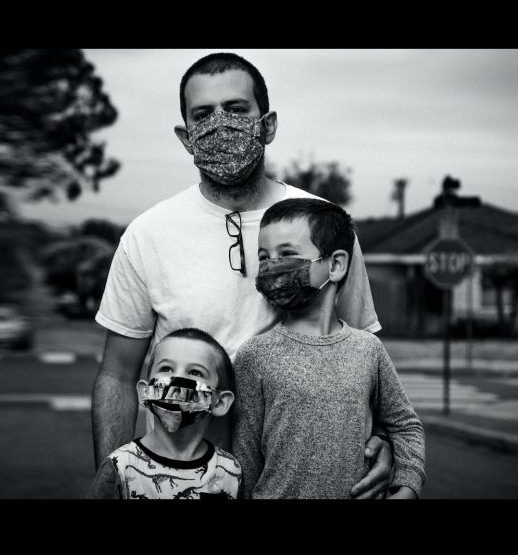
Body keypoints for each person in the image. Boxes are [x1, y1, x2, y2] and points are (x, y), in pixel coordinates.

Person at [92, 52, 392, 498]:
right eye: (203, 115)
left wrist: (385, 440)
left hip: (303, 484)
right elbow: (118, 375)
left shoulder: (324, 228)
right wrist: (114, 480)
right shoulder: (147, 234)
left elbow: (362, 351)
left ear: (267, 125)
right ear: (186, 136)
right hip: (182, 484)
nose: (220, 124)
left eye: (236, 110)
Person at [232, 198, 426, 499]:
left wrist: (408, 487)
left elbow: (405, 425)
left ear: (335, 265)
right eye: (264, 257)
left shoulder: (368, 350)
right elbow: (245, 458)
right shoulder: (254, 356)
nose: (271, 267)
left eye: (286, 254)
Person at [87, 328, 241, 499]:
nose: (175, 381)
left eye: (195, 372)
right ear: (145, 392)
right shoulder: (120, 466)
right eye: (166, 368)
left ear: (219, 402)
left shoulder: (230, 471)